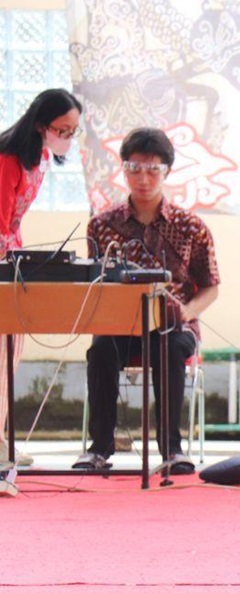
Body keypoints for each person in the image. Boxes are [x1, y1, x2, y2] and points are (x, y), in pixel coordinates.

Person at [73, 127, 220, 473]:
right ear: (123, 169)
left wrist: (185, 312)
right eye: (135, 168)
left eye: (153, 170)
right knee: (101, 349)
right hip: (120, 325)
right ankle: (99, 449)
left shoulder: (191, 226)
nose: (143, 178)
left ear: (167, 171)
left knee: (168, 347)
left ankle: (172, 451)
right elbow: (98, 282)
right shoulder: (101, 225)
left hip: (173, 326)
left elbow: (210, 286)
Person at [0, 88, 84, 467]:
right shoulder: (8, 160)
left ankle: (2, 437)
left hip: (12, 260)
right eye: (62, 130)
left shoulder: (42, 158)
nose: (66, 138)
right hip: (4, 262)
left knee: (9, 358)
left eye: (72, 132)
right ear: (40, 124)